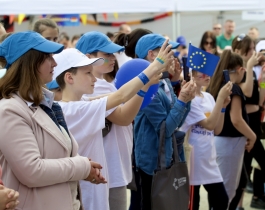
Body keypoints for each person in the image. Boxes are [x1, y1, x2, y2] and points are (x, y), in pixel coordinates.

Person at [60, 39, 174, 210]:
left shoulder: (79, 102)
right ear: (68, 77)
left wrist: (144, 86)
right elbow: (120, 97)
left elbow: (111, 101)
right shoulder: (75, 109)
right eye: (87, 73)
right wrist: (154, 67)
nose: (93, 78)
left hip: (93, 182)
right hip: (88, 188)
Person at [0, 31, 106, 210]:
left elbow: (57, 155)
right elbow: (32, 171)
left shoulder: (45, 104)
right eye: (48, 57)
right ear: (29, 62)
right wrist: (81, 166)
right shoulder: (9, 110)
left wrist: (84, 167)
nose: (55, 63)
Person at [134, 33, 196, 210]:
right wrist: (183, 101)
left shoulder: (164, 81)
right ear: (152, 55)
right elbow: (165, 129)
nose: (174, 56)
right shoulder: (146, 86)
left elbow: (176, 122)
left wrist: (186, 99)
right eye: (169, 50)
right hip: (152, 162)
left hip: (166, 157)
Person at [207, 50, 256, 206]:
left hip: (219, 141)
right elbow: (236, 120)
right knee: (227, 190)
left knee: (219, 188)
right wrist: (253, 136)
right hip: (230, 143)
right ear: (241, 69)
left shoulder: (216, 85)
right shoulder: (233, 88)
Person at [181, 69, 232, 210]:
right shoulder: (189, 98)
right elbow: (209, 125)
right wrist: (221, 98)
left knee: (222, 200)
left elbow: (217, 129)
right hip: (193, 158)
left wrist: (222, 108)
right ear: (192, 75)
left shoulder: (208, 96)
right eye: (202, 73)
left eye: (207, 72)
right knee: (193, 203)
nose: (207, 76)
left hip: (208, 158)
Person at [229, 35, 265, 210]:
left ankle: (251, 199)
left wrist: (263, 82)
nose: (253, 53)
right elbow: (248, 93)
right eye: (249, 50)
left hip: (255, 123)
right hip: (245, 125)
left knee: (246, 169)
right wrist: (250, 67)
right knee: (243, 170)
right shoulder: (239, 74)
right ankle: (240, 204)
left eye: (253, 49)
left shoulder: (251, 72)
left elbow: (258, 102)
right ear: (237, 51)